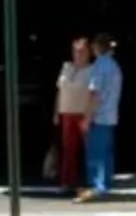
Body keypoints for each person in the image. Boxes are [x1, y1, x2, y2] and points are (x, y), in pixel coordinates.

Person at [51, 34, 95, 199]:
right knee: (68, 149)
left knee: (89, 148)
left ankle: (92, 183)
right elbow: (60, 91)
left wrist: (90, 115)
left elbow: (94, 94)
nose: (78, 54)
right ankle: (67, 182)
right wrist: (56, 112)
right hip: (67, 112)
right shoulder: (66, 67)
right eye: (76, 51)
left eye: (82, 51)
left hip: (83, 112)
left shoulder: (92, 70)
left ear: (88, 53)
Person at [82, 33, 123, 197]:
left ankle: (97, 186)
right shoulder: (114, 66)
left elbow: (95, 93)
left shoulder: (99, 66)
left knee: (96, 153)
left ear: (97, 47)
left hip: (99, 116)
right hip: (110, 115)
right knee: (106, 152)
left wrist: (87, 117)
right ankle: (105, 183)